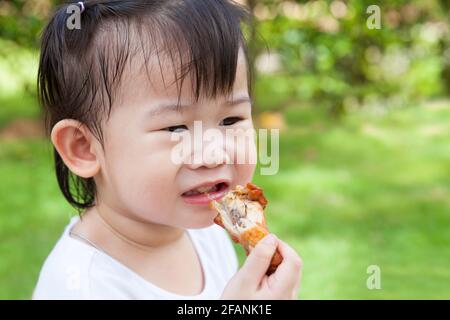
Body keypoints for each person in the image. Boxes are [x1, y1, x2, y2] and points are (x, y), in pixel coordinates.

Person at [33, 0, 302, 299]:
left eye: (230, 119)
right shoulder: (80, 287)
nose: (214, 153)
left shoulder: (207, 234)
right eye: (176, 128)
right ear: (84, 148)